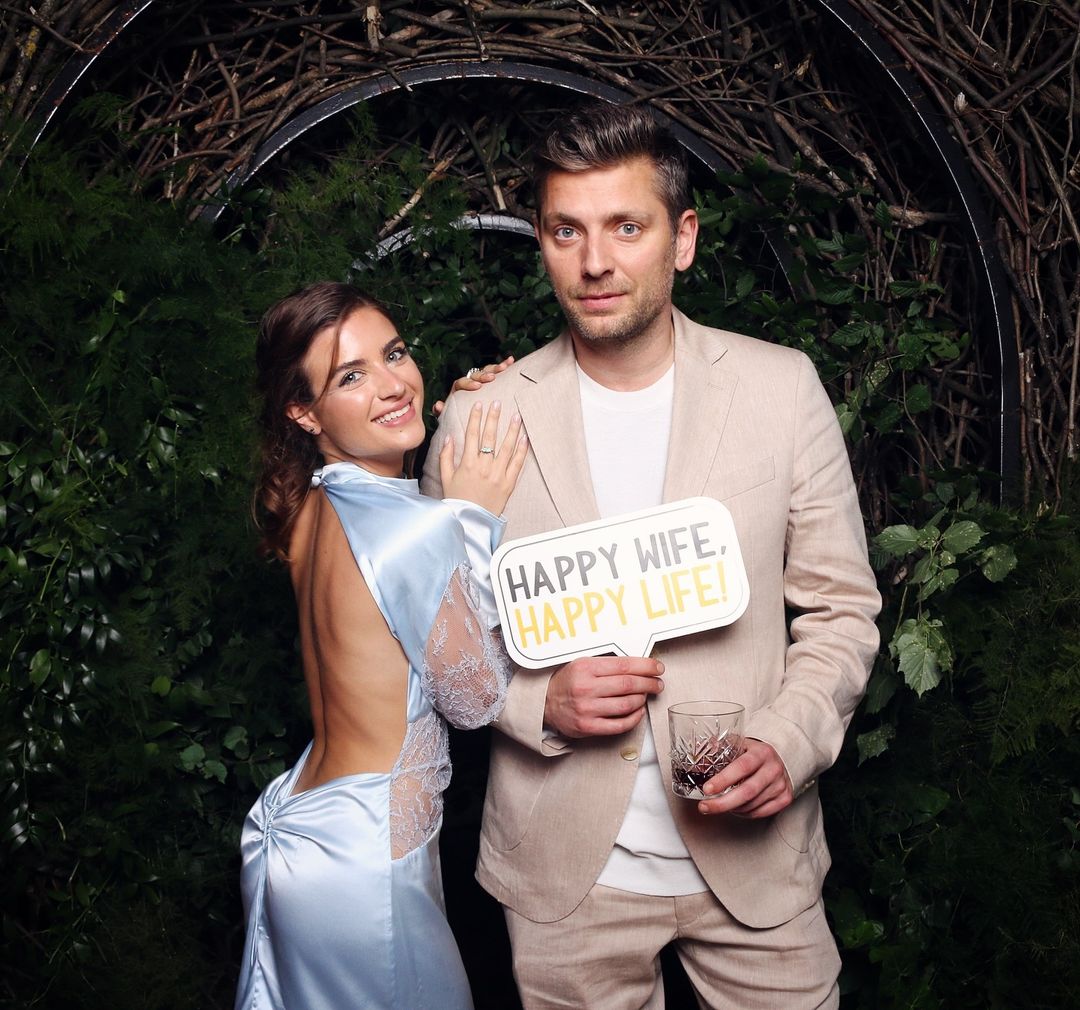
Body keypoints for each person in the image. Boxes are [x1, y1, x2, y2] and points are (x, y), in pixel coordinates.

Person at [422, 103, 882, 1009]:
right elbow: (441, 643)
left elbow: (841, 608)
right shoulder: (479, 419)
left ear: (683, 238)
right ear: (543, 244)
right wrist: (537, 703)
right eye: (567, 231)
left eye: (626, 227)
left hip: (758, 867)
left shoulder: (781, 388)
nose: (595, 261)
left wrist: (789, 742)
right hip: (564, 877)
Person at [235, 281, 528, 1010]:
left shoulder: (310, 507)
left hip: (303, 830)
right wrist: (472, 519)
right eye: (351, 377)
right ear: (304, 412)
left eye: (394, 355)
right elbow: (476, 700)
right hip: (366, 863)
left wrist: (457, 413)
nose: (393, 384)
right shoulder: (416, 531)